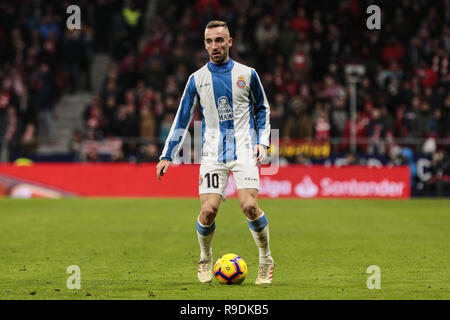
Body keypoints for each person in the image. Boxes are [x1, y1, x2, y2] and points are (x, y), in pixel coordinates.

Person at [156, 20, 274, 285]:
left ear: (230, 42)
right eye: (209, 41)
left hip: (244, 149)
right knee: (208, 211)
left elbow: (262, 108)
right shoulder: (196, 79)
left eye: (219, 40)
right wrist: (167, 155)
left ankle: (266, 259)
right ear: (205, 44)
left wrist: (262, 142)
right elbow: (182, 117)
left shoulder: (247, 74)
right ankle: (205, 256)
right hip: (212, 153)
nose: (214, 46)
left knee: (250, 206)